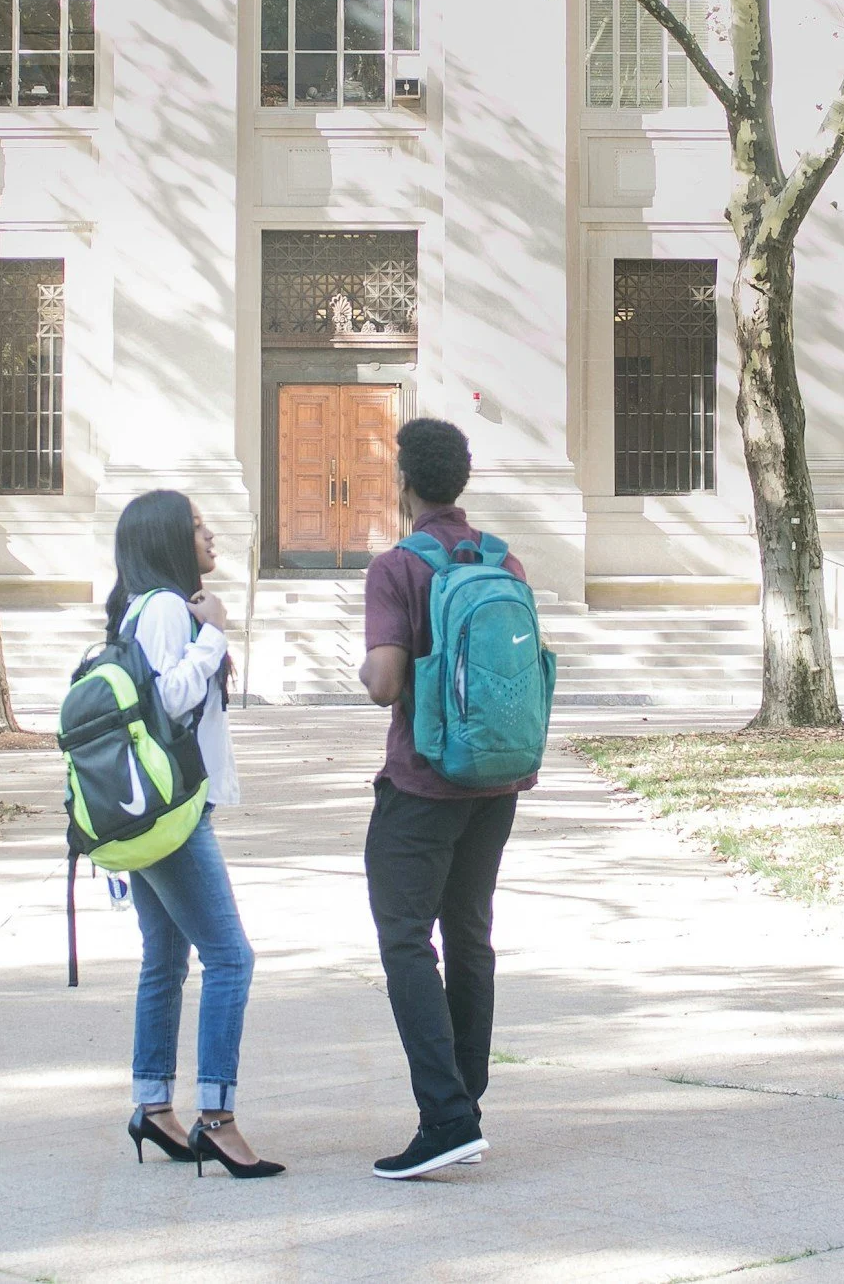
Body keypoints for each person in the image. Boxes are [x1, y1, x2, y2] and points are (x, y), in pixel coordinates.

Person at [355, 417, 537, 1180]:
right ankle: (467, 1098)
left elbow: (386, 683)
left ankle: (446, 1115)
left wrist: (365, 664)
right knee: (469, 934)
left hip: (423, 782)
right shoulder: (505, 559)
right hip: (496, 781)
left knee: (404, 938)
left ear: (404, 482)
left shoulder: (397, 566)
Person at [106, 489, 284, 1180]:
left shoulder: (147, 607)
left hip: (154, 807)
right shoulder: (160, 611)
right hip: (171, 811)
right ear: (167, 541)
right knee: (231, 958)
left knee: (166, 957)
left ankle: (153, 1104)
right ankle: (216, 1118)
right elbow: (168, 699)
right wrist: (213, 634)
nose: (211, 535)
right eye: (198, 525)